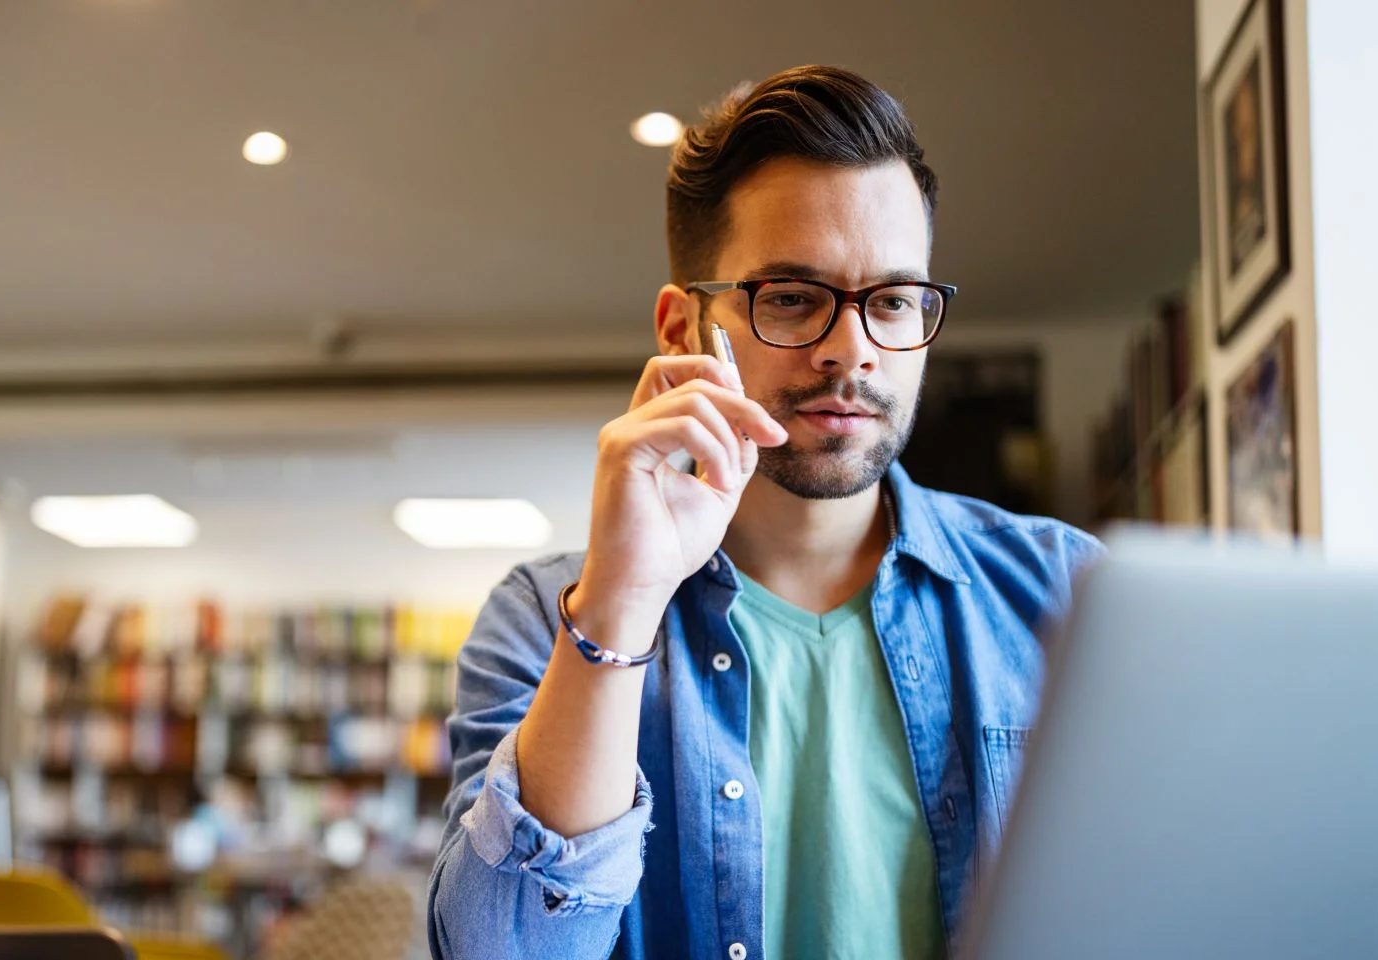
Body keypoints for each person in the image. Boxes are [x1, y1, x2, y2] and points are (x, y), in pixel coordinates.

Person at [425, 65, 1103, 960]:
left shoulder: (1069, 594)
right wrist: (624, 604)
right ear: (681, 329)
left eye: (893, 301)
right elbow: (495, 952)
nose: (851, 350)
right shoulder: (544, 619)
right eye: (791, 297)